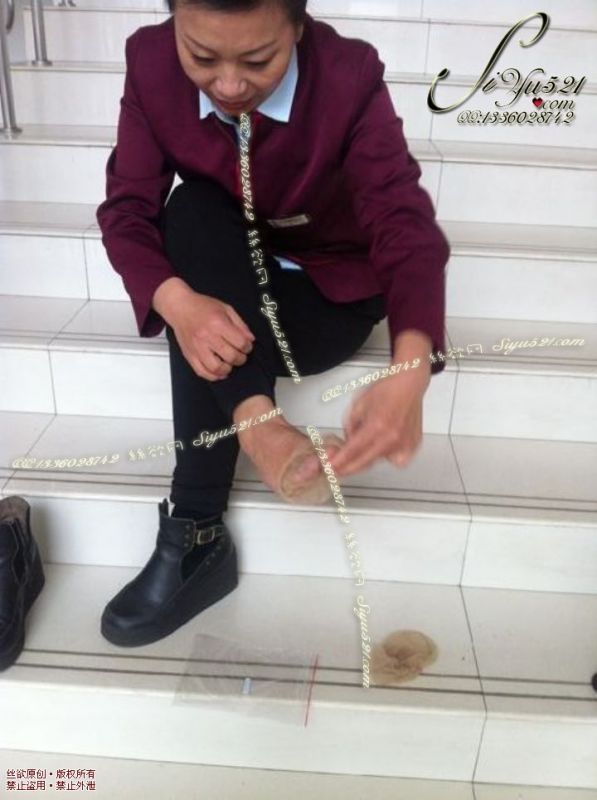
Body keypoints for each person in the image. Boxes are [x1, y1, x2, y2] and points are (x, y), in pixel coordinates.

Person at [95, 0, 450, 647]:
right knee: (190, 211)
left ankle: (196, 529)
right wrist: (178, 304)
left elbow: (402, 221)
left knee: (198, 256)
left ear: (298, 28)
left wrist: (411, 364)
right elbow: (127, 210)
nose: (229, 85)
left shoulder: (347, 75)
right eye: (202, 56)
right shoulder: (149, 61)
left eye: (259, 60)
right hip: (218, 266)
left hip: (322, 296)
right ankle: (261, 430)